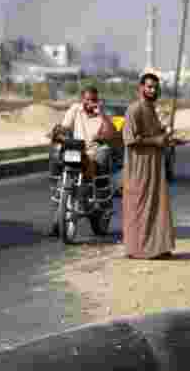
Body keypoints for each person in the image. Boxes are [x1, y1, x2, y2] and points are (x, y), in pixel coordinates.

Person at [47, 86, 120, 236]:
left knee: (104, 155)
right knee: (55, 152)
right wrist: (58, 133)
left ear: (97, 100)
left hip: (93, 153)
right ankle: (56, 189)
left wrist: (102, 115)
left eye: (93, 100)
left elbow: (111, 133)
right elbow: (65, 126)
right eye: (87, 100)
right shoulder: (75, 109)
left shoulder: (102, 115)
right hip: (76, 150)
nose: (90, 103)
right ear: (82, 100)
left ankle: (101, 197)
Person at [122, 73, 178, 259]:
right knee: (140, 206)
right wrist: (156, 140)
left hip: (155, 164)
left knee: (156, 206)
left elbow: (155, 135)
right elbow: (130, 140)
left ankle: (156, 248)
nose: (152, 90)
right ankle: (138, 249)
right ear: (141, 88)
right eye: (149, 87)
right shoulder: (134, 110)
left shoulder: (151, 109)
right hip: (139, 167)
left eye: (155, 87)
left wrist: (167, 137)